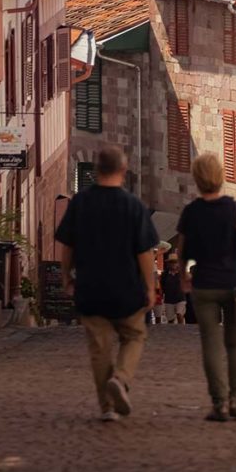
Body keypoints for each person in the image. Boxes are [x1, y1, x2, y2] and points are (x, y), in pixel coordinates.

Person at [55, 145, 159, 422]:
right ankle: (121, 378)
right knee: (135, 336)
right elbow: (144, 253)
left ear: (96, 170)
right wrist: (150, 287)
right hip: (127, 289)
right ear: (123, 172)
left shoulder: (80, 203)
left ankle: (107, 407)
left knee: (100, 349)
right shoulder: (133, 206)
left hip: (90, 288)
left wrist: (66, 276)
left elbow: (67, 245)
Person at [177, 153, 236, 422]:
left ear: (197, 179)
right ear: (220, 176)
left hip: (204, 284)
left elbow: (182, 250)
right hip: (233, 282)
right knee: (235, 344)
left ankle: (219, 403)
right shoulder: (235, 209)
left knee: (210, 343)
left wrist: (182, 276)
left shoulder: (192, 212)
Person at [160, 254, 186, 324]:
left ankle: (182, 330)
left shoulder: (182, 273)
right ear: (168, 264)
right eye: (171, 262)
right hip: (169, 300)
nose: (173, 264)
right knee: (170, 320)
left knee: (179, 314)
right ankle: (172, 332)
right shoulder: (165, 274)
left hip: (180, 299)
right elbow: (162, 286)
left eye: (175, 262)